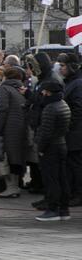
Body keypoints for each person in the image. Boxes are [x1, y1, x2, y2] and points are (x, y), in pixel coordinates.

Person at [34, 79, 72, 221]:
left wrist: (41, 149)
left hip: (51, 148)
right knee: (62, 178)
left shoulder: (50, 108)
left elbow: (46, 132)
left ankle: (52, 209)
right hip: (61, 145)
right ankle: (64, 209)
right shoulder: (63, 104)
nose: (42, 93)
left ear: (48, 92)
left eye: (44, 91)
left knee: (51, 179)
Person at [0, 66, 28, 198]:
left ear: (5, 76)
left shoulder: (4, 89)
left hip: (8, 128)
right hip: (21, 128)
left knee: (6, 158)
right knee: (17, 158)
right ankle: (15, 186)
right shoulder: (22, 89)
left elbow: (2, 109)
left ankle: (11, 187)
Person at [58, 54, 82, 206]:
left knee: (76, 164)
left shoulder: (78, 83)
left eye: (63, 65)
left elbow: (78, 109)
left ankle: (78, 194)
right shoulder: (71, 82)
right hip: (72, 131)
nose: (60, 68)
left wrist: (68, 125)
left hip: (76, 132)